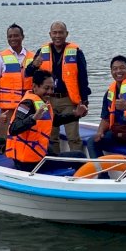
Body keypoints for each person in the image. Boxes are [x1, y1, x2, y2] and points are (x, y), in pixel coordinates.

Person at [26, 21, 91, 154]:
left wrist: (84, 101)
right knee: (51, 137)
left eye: (61, 32)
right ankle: (55, 163)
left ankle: (77, 164)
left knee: (73, 137)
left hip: (68, 100)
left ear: (66, 34)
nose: (57, 36)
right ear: (50, 34)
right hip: (48, 100)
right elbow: (28, 73)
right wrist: (34, 65)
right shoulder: (42, 52)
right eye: (54, 33)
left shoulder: (76, 52)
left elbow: (83, 78)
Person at [6, 70, 85, 173]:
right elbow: (13, 128)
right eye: (46, 88)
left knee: (51, 149)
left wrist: (75, 115)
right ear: (35, 87)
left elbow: (55, 120)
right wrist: (33, 118)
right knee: (80, 156)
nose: (49, 92)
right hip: (28, 164)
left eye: (52, 89)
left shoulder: (41, 102)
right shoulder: (27, 104)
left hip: (37, 156)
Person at [0, 23, 33, 138]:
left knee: (26, 133)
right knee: (5, 135)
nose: (13, 39)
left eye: (16, 36)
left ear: (22, 37)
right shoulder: (0, 57)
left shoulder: (32, 57)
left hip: (27, 105)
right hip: (7, 107)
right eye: (10, 36)